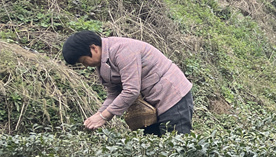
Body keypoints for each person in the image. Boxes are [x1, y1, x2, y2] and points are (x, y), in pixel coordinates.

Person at [62, 30, 194, 135]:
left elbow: (131, 90)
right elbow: (113, 94)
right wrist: (98, 115)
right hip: (150, 106)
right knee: (154, 149)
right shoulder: (101, 65)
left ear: (93, 48)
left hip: (172, 97)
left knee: (177, 147)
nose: (85, 66)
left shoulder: (123, 51)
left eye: (84, 61)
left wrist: (104, 116)